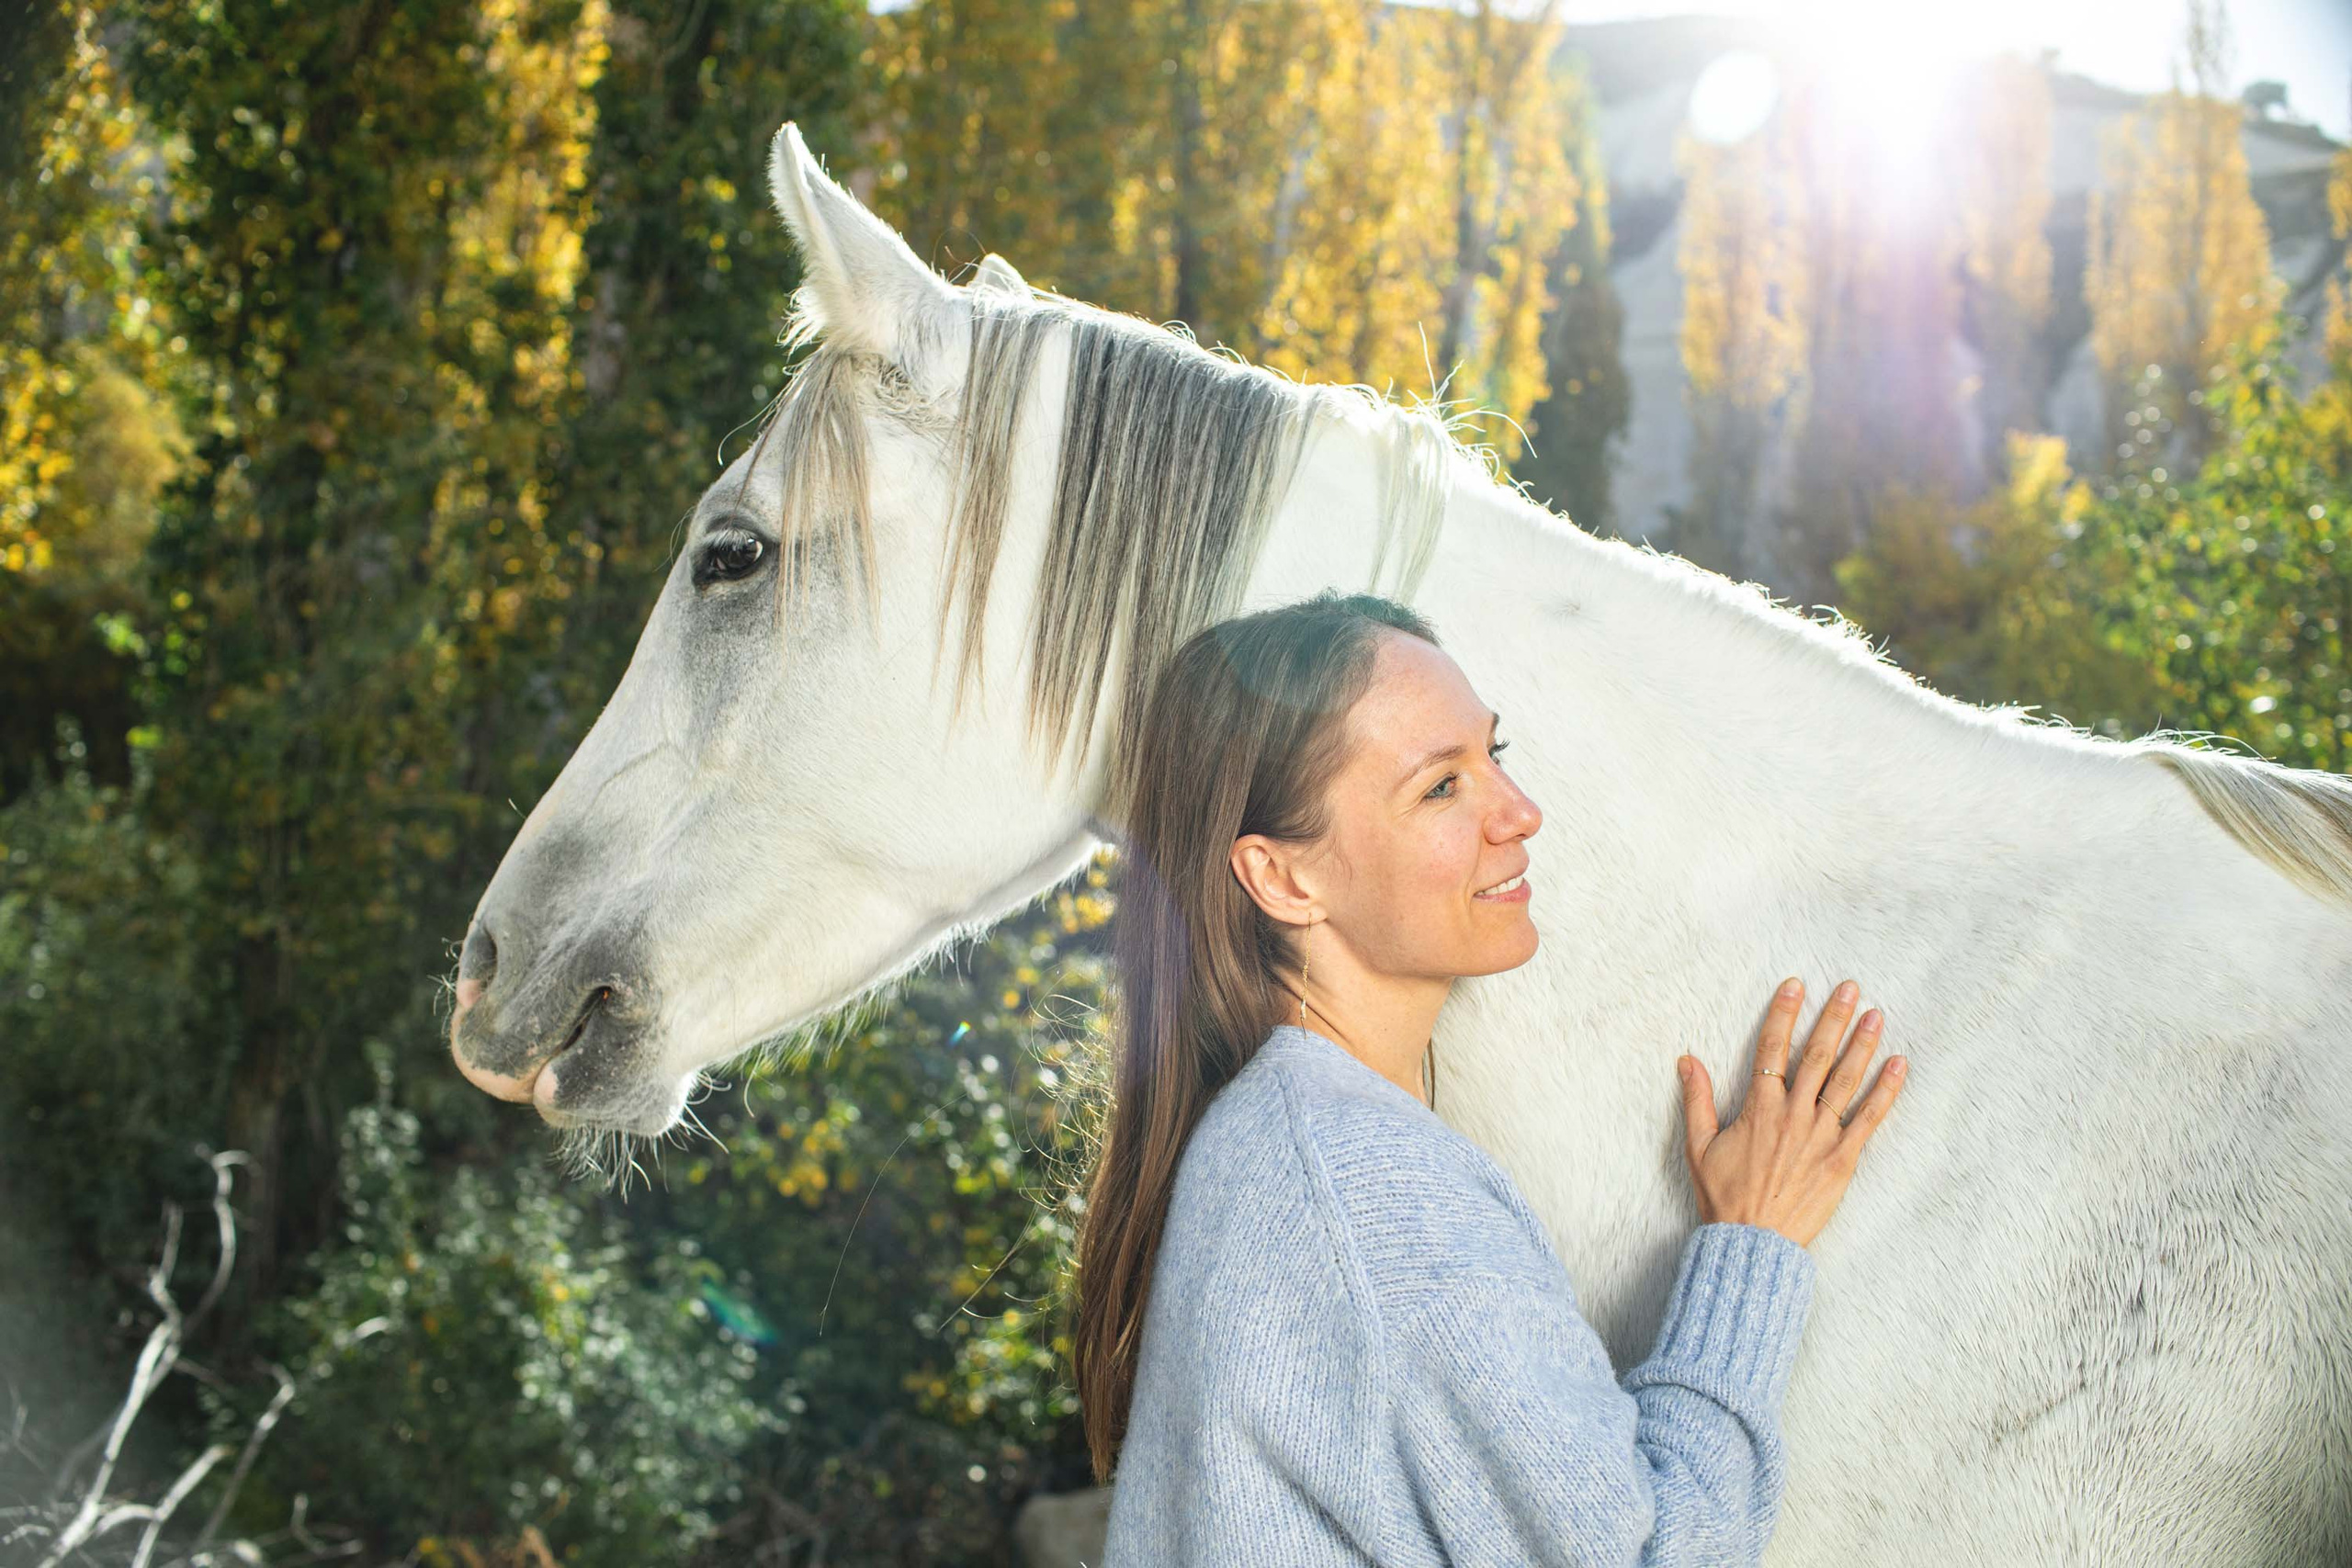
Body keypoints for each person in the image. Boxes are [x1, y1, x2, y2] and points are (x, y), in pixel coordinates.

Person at [1073, 589, 1910, 1565]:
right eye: (1440, 787)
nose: (1519, 812)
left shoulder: (1275, 1142)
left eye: (1493, 754)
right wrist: (1753, 1246)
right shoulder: (1370, 1187)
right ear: (1284, 878)